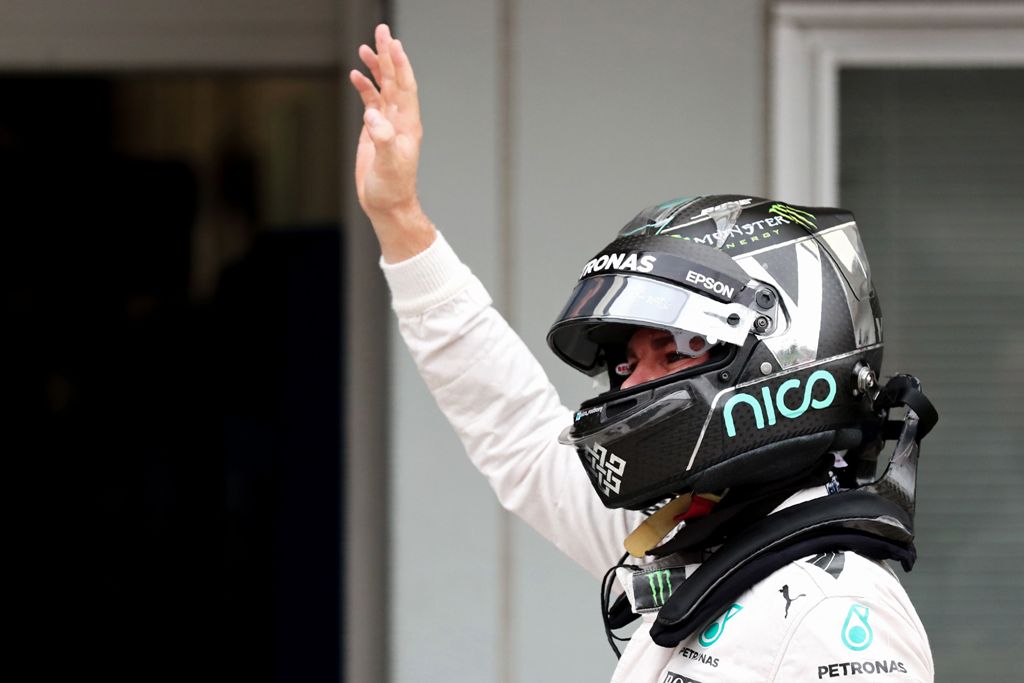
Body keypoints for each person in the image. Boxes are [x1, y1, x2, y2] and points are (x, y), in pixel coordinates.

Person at [349, 24, 937, 682]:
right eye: (626, 362)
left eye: (673, 350)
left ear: (779, 359)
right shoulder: (703, 536)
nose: (634, 383)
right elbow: (516, 432)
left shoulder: (837, 614)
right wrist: (399, 219)